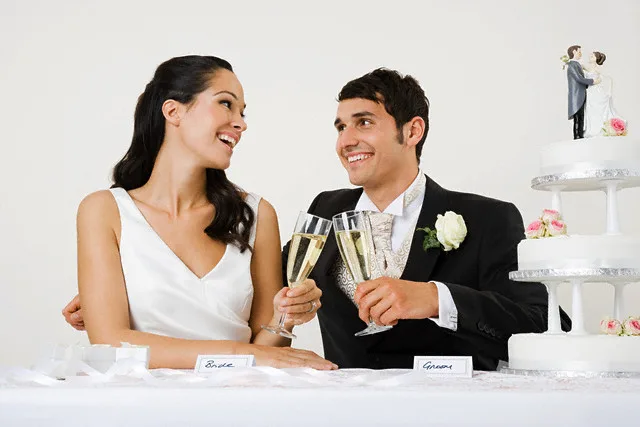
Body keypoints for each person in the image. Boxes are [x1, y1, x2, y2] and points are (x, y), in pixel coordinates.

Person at [65, 66, 571, 371]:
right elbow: (263, 294)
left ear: (412, 130)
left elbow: (545, 326)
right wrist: (126, 288)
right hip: (340, 409)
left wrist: (435, 297)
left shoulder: (487, 218)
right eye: (340, 126)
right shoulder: (323, 211)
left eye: (364, 123)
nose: (346, 140)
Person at [68, 55, 336, 370]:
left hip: (238, 403)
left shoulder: (256, 214)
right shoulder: (105, 211)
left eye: (242, 112)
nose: (241, 122)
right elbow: (110, 343)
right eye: (226, 103)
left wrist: (285, 317)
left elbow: (268, 351)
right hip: (141, 405)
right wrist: (241, 354)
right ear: (173, 111)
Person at [584, 51, 626, 138]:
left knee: (597, 110)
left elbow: (606, 78)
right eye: (591, 56)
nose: (590, 57)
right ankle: (592, 129)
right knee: (591, 110)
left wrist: (608, 90)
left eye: (592, 56)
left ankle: (600, 128)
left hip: (595, 91)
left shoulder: (597, 69)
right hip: (590, 92)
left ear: (596, 59)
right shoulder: (588, 67)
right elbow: (580, 67)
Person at [566, 45, 600, 139]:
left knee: (581, 116)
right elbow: (579, 78)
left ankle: (580, 135)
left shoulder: (577, 64)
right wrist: (593, 81)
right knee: (578, 117)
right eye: (579, 51)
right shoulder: (572, 65)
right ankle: (577, 136)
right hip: (576, 95)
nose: (581, 53)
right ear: (574, 52)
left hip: (581, 94)